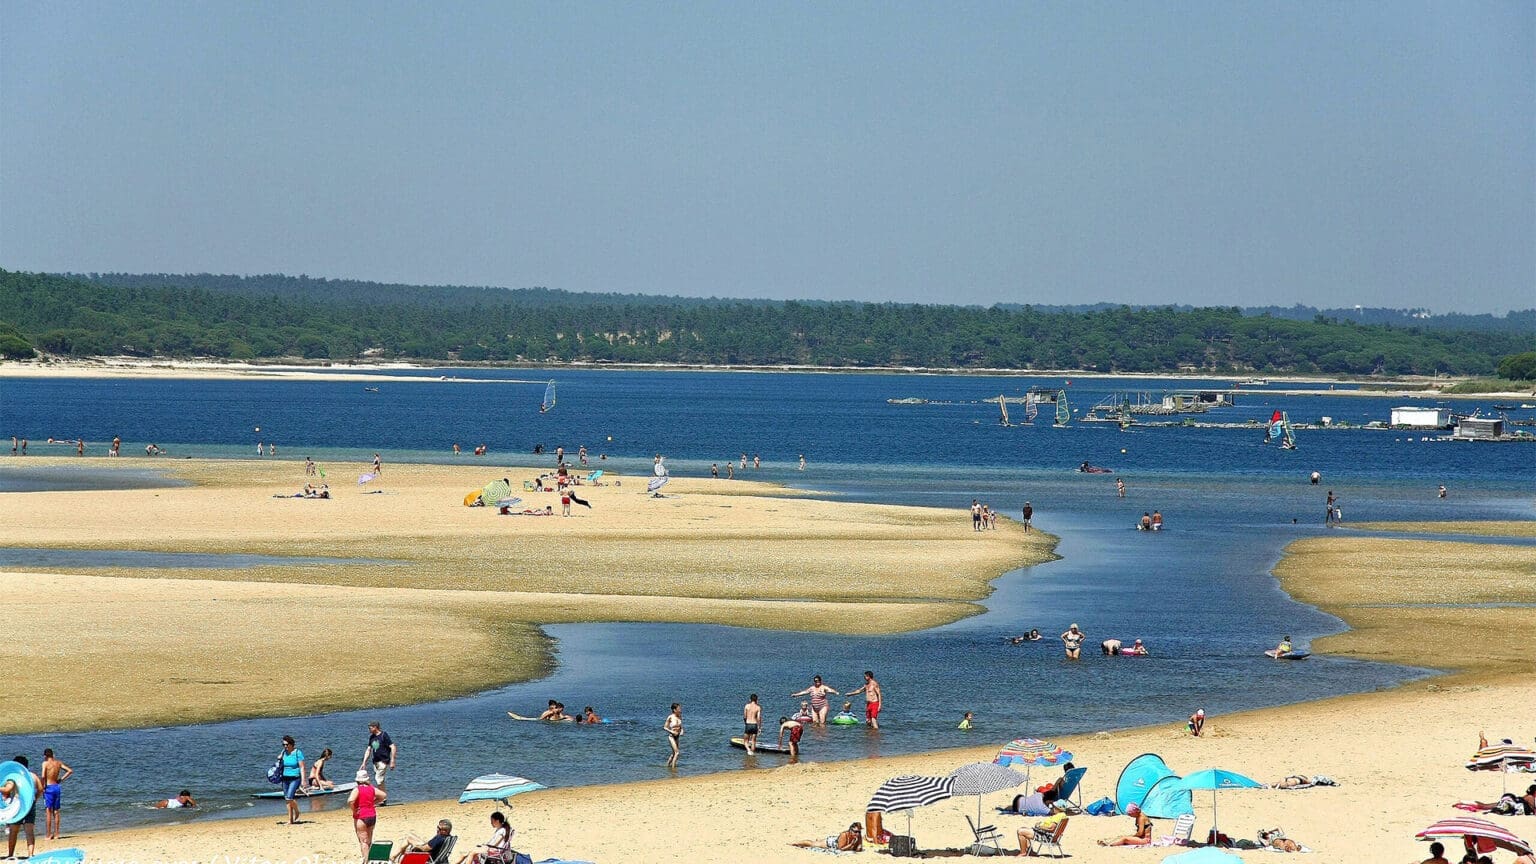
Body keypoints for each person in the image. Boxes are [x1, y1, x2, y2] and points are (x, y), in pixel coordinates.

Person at [1, 755, 43, 859]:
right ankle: (30, 854)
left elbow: (7, 789)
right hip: (30, 804)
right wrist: (35, 799)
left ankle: (10, 854)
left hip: (18, 806)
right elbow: (41, 789)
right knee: (29, 831)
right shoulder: (33, 776)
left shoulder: (14, 776)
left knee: (14, 831)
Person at [349, 768, 387, 857]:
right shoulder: (372, 788)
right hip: (372, 815)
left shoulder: (357, 789)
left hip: (361, 816)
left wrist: (354, 810)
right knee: (369, 840)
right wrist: (373, 802)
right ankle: (369, 858)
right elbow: (383, 795)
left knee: (363, 841)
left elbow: (351, 801)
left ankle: (366, 860)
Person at [40, 747, 72, 840]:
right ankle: (57, 834)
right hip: (56, 787)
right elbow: (70, 771)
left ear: (45, 756)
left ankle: (48, 835)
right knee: (56, 811)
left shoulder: (45, 763)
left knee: (48, 812)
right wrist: (60, 780)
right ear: (53, 755)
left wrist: (43, 786)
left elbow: (43, 776)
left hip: (49, 788)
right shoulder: (58, 763)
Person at [278, 735, 307, 823]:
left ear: (291, 744)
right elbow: (279, 758)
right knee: (287, 799)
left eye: (287, 744)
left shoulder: (298, 752)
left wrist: (303, 780)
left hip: (295, 778)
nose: (285, 746)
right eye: (283, 745)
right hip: (285, 778)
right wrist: (280, 755)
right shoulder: (284, 752)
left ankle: (297, 812)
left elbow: (302, 767)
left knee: (289, 797)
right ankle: (290, 820)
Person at [362, 721, 397, 791]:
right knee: (380, 780)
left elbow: (393, 747)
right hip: (375, 762)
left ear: (375, 727)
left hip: (383, 761)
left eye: (370, 728)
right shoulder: (372, 737)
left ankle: (380, 797)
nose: (369, 730)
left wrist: (392, 760)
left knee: (378, 779)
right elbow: (368, 750)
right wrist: (364, 762)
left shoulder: (384, 735)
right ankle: (383, 797)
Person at [791, 823, 863, 851]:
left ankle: (819, 839)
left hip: (836, 840)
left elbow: (859, 848)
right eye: (855, 831)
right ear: (850, 830)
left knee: (818, 841)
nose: (857, 833)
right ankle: (795, 843)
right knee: (813, 844)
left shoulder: (858, 836)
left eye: (859, 832)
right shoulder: (844, 835)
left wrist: (858, 845)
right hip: (831, 843)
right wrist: (851, 845)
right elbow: (841, 849)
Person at [664, 703, 683, 768]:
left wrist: (682, 730)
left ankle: (667, 766)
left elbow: (681, 726)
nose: (680, 710)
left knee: (673, 754)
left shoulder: (680, 716)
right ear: (674, 710)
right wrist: (671, 731)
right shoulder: (670, 717)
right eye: (679, 708)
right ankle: (673, 769)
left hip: (677, 737)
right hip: (671, 736)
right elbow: (665, 727)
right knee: (677, 753)